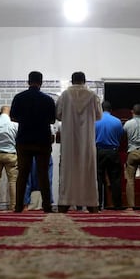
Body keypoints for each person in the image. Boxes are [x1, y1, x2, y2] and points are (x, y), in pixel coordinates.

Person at [56, 71, 102, 213]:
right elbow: (99, 116)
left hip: (69, 141)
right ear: (84, 81)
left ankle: (65, 201)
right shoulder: (93, 95)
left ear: (72, 80)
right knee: (88, 171)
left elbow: (58, 115)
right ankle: (90, 202)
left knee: (68, 171)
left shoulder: (64, 95)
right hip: (87, 140)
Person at [10, 71, 56, 213]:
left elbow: (13, 117)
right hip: (42, 140)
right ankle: (47, 206)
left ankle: (18, 206)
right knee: (43, 174)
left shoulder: (19, 97)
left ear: (28, 81)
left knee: (23, 174)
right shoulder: (48, 100)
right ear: (41, 82)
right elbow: (52, 120)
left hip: (24, 140)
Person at [96, 101, 124, 210]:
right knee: (115, 179)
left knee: (99, 178)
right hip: (113, 151)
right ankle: (117, 204)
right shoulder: (117, 122)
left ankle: (98, 204)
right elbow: (121, 136)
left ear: (100, 109)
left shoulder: (95, 120)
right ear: (111, 110)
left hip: (99, 151)